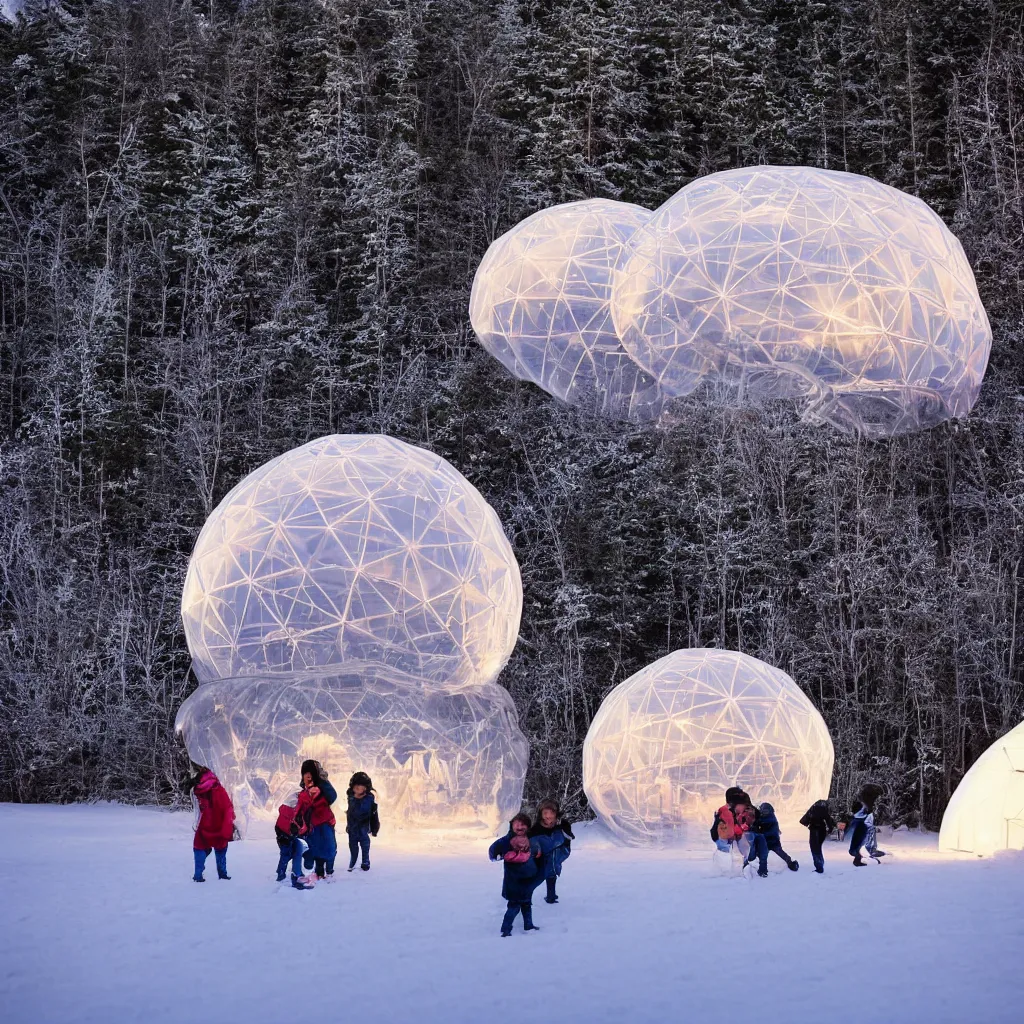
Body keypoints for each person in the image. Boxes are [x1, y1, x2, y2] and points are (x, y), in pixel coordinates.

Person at [488, 813, 542, 937]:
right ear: (512, 825)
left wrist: (537, 852)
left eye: (523, 824)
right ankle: (505, 929)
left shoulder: (531, 839)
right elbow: (493, 851)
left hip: (528, 879)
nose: (520, 826)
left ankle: (528, 925)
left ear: (528, 827)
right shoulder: (507, 840)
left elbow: (536, 850)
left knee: (527, 903)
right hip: (514, 880)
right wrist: (500, 855)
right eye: (517, 823)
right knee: (514, 905)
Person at [190, 767, 235, 883]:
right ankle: (222, 874)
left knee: (199, 847)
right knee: (221, 850)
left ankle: (198, 875)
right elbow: (227, 808)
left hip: (205, 825)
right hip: (219, 825)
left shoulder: (198, 789)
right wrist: (230, 825)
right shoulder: (219, 790)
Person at [295, 759, 338, 880]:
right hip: (312, 825)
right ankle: (318, 869)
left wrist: (323, 781)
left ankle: (329, 869)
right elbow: (300, 805)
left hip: (325, 823)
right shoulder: (303, 789)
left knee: (329, 848)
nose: (308, 776)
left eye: (311, 773)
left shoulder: (323, 786)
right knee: (315, 848)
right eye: (305, 773)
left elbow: (332, 797)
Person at [528, 799, 573, 904]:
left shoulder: (561, 825)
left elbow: (567, 841)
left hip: (555, 856)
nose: (548, 816)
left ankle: (551, 897)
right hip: (540, 858)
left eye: (552, 813)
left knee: (551, 873)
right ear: (541, 814)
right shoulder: (536, 828)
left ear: (556, 813)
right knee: (536, 877)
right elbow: (530, 843)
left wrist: (561, 850)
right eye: (545, 813)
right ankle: (524, 896)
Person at [744, 802, 799, 876]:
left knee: (764, 854)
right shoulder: (764, 818)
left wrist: (758, 832)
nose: (763, 812)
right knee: (769, 854)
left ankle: (762, 870)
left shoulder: (769, 819)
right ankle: (789, 863)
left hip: (771, 841)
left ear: (769, 811)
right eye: (763, 810)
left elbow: (769, 831)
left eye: (765, 811)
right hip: (771, 841)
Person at [275, 793, 313, 890]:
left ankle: (295, 874)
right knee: (287, 853)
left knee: (297, 848)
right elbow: (301, 825)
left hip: (285, 831)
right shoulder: (301, 805)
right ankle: (283, 874)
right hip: (285, 833)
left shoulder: (299, 799)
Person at [345, 771, 380, 873]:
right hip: (352, 827)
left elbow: (364, 811)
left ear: (365, 788)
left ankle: (365, 860)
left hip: (363, 826)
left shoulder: (369, 798)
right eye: (356, 785)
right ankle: (353, 861)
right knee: (352, 845)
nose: (357, 788)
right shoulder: (350, 797)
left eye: (360, 786)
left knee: (365, 844)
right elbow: (349, 811)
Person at [849, 784, 884, 866]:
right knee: (860, 839)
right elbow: (857, 814)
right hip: (862, 822)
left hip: (863, 821)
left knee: (861, 839)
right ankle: (862, 855)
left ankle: (863, 854)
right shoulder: (864, 803)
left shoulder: (865, 802)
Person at [800, 799, 837, 874]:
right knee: (818, 847)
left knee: (814, 848)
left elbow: (804, 820)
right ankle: (821, 863)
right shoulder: (825, 810)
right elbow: (829, 821)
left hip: (814, 830)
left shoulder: (814, 808)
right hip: (822, 830)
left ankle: (819, 867)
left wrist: (808, 822)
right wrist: (830, 829)